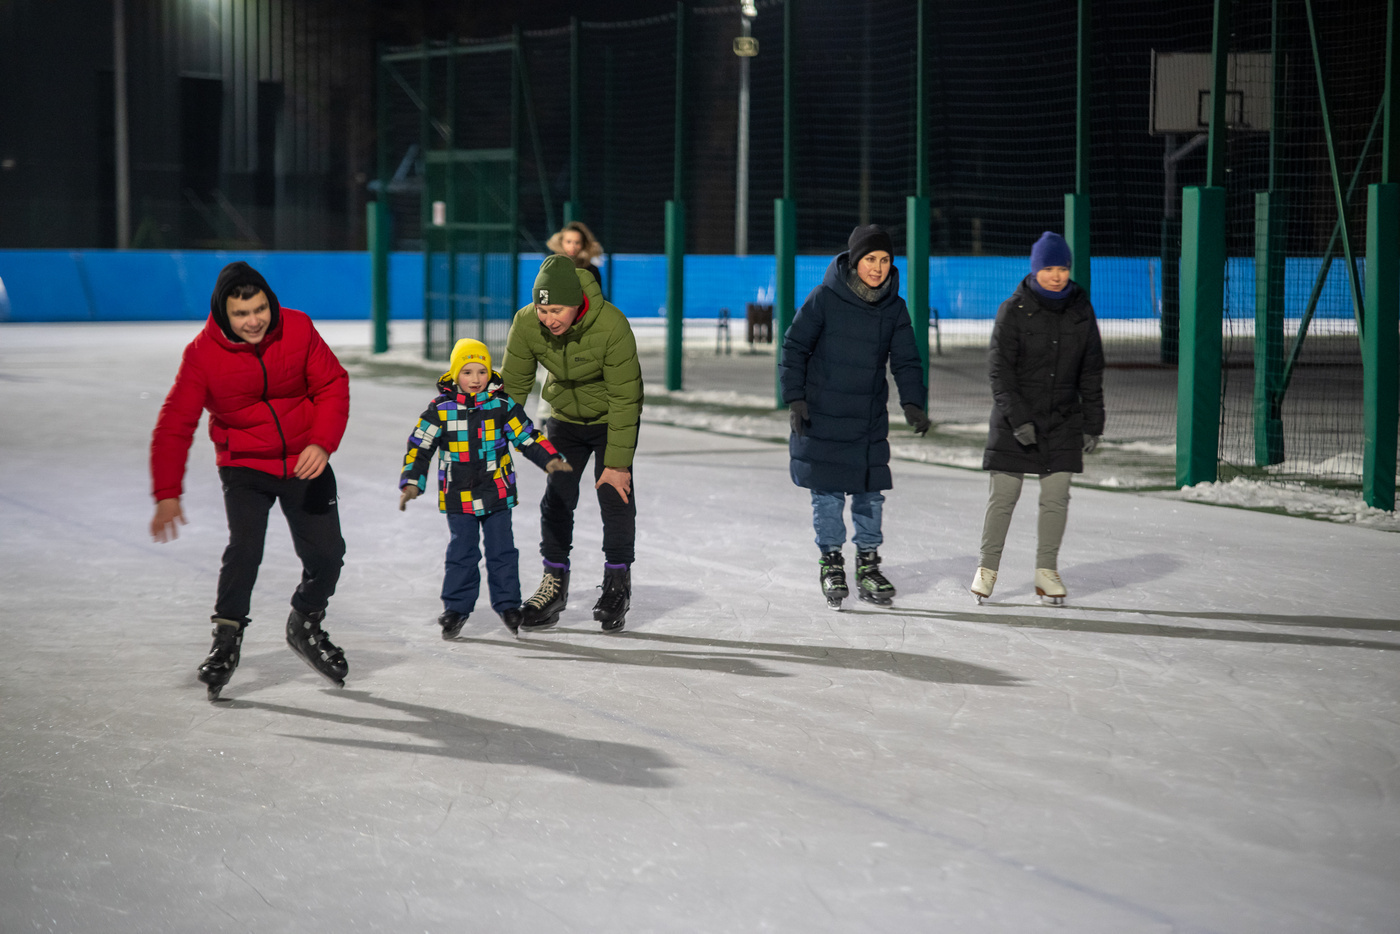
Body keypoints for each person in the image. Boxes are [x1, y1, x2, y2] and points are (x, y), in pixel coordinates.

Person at [149, 261, 350, 700]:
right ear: (224, 314)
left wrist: (321, 442)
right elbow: (175, 424)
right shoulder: (202, 355)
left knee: (328, 555)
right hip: (245, 466)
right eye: (241, 314)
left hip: (305, 459)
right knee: (245, 550)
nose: (254, 320)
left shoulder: (297, 328)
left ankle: (306, 622)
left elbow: (332, 383)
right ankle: (226, 640)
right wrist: (167, 493)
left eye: (259, 309)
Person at [780, 224, 929, 610]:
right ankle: (831, 562)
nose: (877, 268)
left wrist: (913, 403)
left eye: (884, 260)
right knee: (827, 496)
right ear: (854, 261)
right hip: (822, 416)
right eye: (870, 260)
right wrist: (795, 398)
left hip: (866, 420)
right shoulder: (824, 299)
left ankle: (868, 564)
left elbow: (907, 360)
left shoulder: (894, 308)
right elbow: (794, 347)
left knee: (869, 496)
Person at [501, 253, 643, 632]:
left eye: (557, 309)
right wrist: (500, 435)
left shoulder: (611, 325)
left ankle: (617, 584)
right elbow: (513, 386)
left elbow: (626, 399)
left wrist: (616, 464)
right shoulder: (527, 323)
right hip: (564, 419)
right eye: (542, 308)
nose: (549, 318)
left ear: (577, 301)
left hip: (609, 421)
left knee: (615, 495)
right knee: (558, 497)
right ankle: (554, 584)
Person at [398, 338, 572, 638]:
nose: (475, 379)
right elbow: (420, 446)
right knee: (462, 553)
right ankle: (456, 608)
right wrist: (413, 482)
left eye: (481, 372)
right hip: (459, 496)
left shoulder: (502, 406)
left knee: (502, 552)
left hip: (497, 493)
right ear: (455, 375)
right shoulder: (440, 410)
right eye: (467, 372)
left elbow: (526, 436)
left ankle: (508, 605)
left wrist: (550, 459)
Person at [970, 231, 1104, 606]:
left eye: (1062, 268)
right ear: (1035, 269)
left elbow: (1091, 371)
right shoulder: (1013, 309)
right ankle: (987, 568)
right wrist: (1019, 420)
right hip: (1017, 420)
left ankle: (1047, 572)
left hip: (1062, 419)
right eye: (1049, 268)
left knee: (1057, 496)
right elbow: (1000, 372)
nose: (1057, 275)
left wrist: (1093, 423)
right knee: (1004, 497)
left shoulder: (1081, 309)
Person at [546, 221, 605, 297]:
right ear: (561, 242)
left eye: (577, 242)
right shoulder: (550, 266)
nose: (573, 246)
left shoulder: (591, 270)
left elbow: (595, 298)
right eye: (568, 242)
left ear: (583, 244)